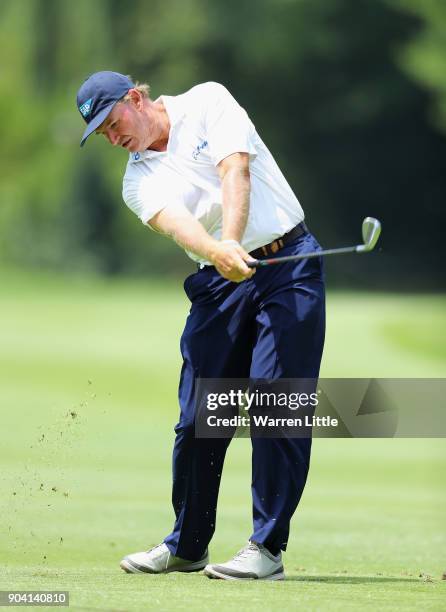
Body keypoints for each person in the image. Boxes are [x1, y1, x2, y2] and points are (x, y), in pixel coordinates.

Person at [76, 70, 325, 581]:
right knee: (198, 417)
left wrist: (229, 240)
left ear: (135, 98)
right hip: (218, 280)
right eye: (100, 132)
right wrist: (219, 252)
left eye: (111, 121)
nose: (111, 135)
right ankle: (188, 545)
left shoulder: (208, 101)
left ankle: (266, 548)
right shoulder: (136, 178)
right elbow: (177, 224)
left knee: (276, 403)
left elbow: (236, 169)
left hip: (286, 264)